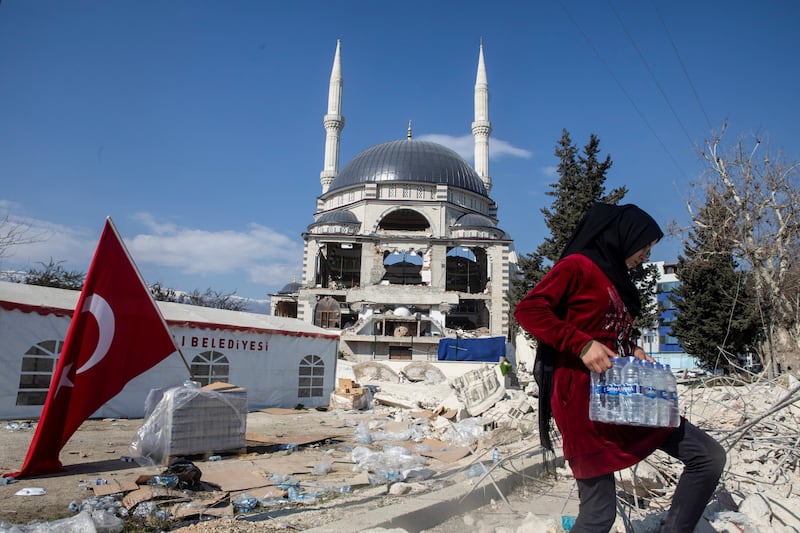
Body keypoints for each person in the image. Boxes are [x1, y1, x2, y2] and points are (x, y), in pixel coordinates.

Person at [514, 203, 726, 532]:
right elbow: (529, 310)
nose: (645, 253)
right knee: (599, 513)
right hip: (582, 403)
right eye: (644, 245)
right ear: (623, 236)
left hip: (624, 393)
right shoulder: (577, 267)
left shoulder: (615, 279)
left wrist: (633, 349)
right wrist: (582, 345)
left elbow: (610, 331)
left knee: (707, 456)